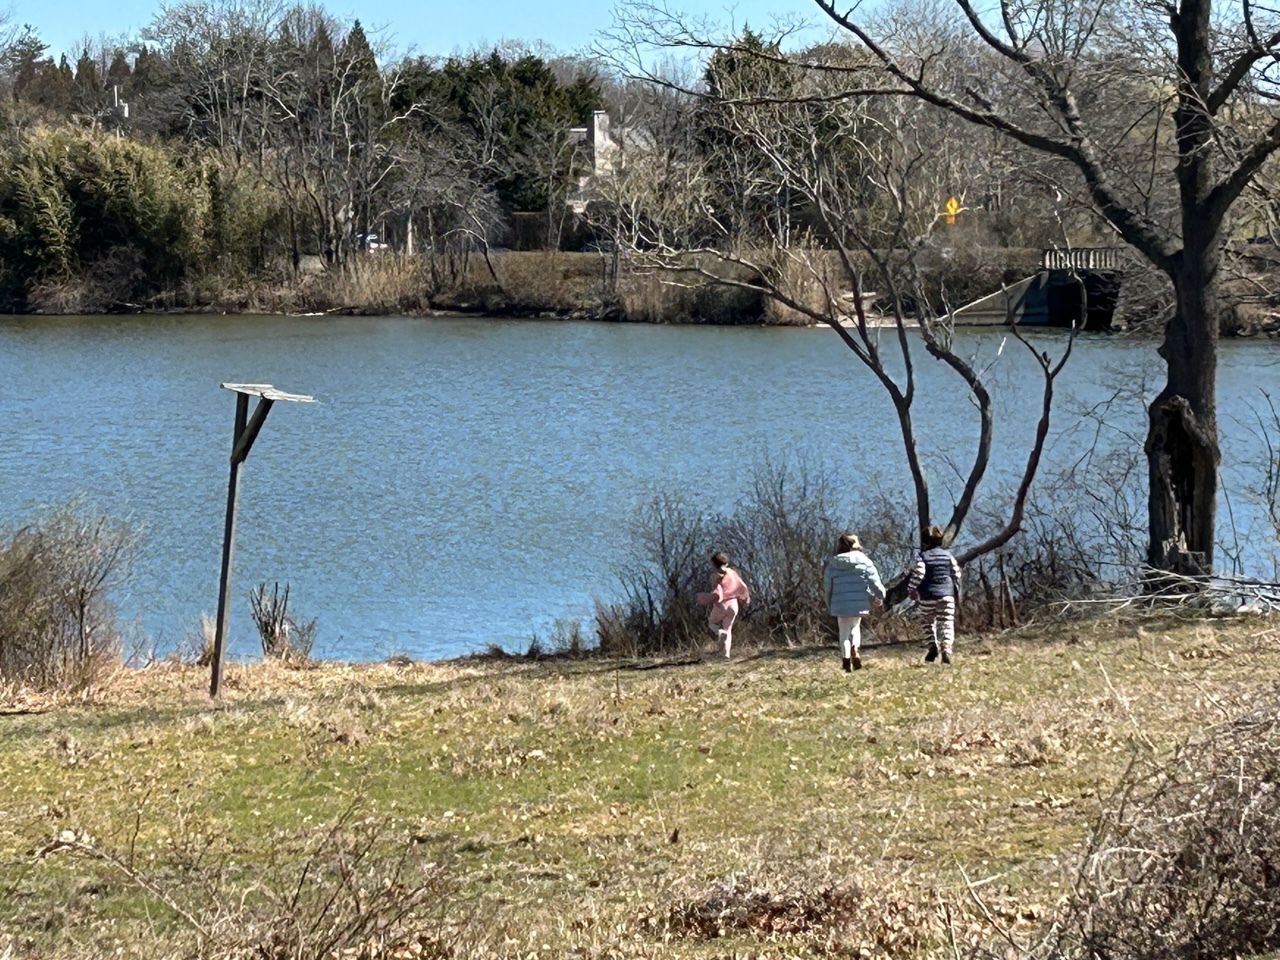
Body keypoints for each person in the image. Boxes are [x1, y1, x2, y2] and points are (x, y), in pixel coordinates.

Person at [822, 533, 886, 672]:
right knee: (855, 627)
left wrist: (829, 603)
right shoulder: (864, 561)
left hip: (840, 603)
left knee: (843, 632)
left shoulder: (832, 564)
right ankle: (855, 649)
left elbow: (827, 587)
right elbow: (874, 581)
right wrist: (879, 595)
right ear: (853, 545)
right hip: (859, 601)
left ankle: (846, 662)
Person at [908, 525, 963, 664]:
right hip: (947, 595)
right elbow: (956, 573)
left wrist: (911, 588)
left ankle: (932, 646)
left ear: (925, 541)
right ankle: (946, 648)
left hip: (927, 595)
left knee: (927, 622)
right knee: (946, 622)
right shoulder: (948, 555)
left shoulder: (922, 556)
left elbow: (919, 574)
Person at [696, 551, 751, 659]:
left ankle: (720, 632)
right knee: (728, 629)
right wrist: (745, 598)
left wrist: (708, 598)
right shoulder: (732, 572)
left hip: (722, 604)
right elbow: (742, 585)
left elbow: (716, 591)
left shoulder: (714, 576)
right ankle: (726, 655)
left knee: (711, 623)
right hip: (734, 605)